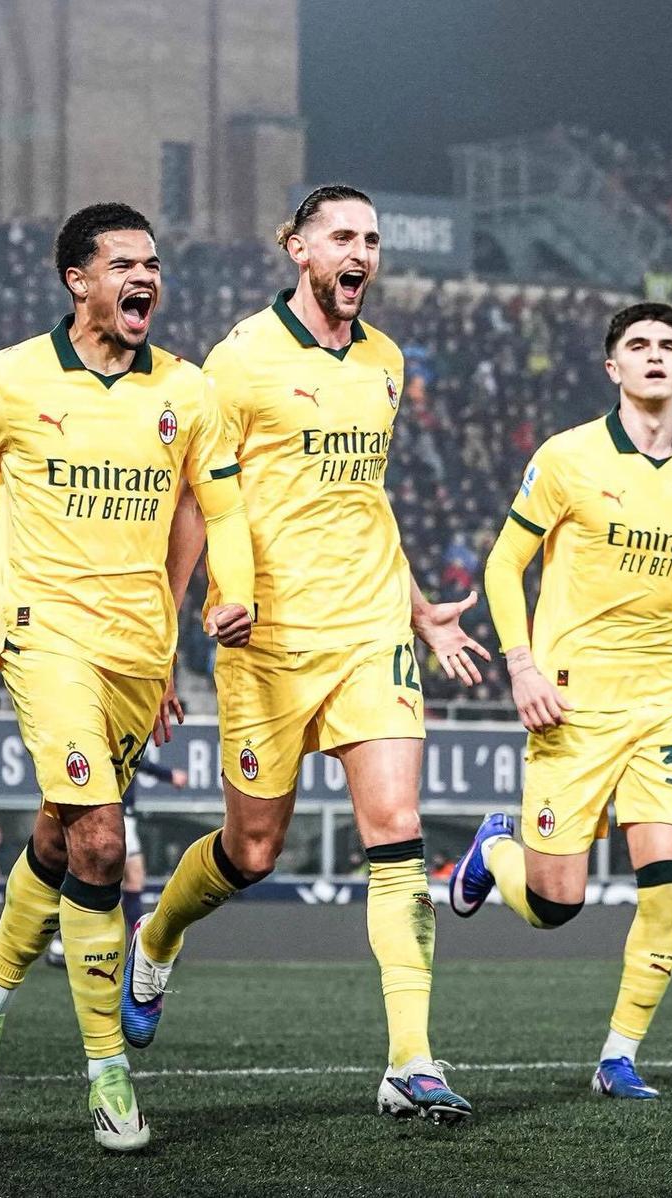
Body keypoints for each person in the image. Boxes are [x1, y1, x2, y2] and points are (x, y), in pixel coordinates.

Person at [122, 185, 489, 1124]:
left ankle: (411, 1060)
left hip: (370, 628)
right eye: (343, 238)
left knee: (396, 828)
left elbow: (363, 500)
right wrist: (163, 640)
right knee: (251, 850)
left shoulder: (386, 362)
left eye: (373, 239)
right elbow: (196, 503)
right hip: (269, 641)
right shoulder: (239, 361)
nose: (361, 253)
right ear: (298, 248)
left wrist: (419, 612)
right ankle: (157, 937)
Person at [0, 202, 254, 1151]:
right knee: (103, 839)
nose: (146, 278)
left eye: (154, 265)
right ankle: (109, 1073)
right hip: (43, 635)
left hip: (138, 650)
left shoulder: (187, 390)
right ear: (79, 280)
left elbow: (221, 509)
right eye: (125, 264)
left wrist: (228, 598)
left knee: (62, 834)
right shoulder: (10, 379)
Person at [450, 302, 672, 1101]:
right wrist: (522, 667)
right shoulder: (568, 457)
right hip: (573, 701)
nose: (655, 356)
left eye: (668, 345)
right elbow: (503, 566)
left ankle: (618, 1055)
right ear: (613, 368)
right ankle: (494, 851)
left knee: (666, 887)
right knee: (554, 904)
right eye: (638, 345)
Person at [45, 758, 188, 967]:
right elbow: (133, 758)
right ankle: (64, 943)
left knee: (126, 879)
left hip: (116, 816)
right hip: (113, 817)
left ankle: (141, 946)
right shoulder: (112, 744)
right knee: (103, 882)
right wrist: (168, 775)